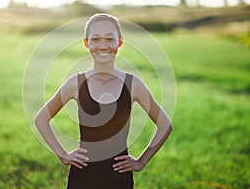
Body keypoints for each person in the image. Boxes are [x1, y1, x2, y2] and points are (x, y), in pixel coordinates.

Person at [35, 13, 173, 189]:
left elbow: (165, 125)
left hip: (119, 176)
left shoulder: (133, 85)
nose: (103, 45)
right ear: (87, 43)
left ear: (119, 42)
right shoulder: (75, 84)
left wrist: (141, 161)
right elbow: (41, 119)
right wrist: (62, 155)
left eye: (109, 38)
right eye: (96, 39)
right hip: (82, 174)